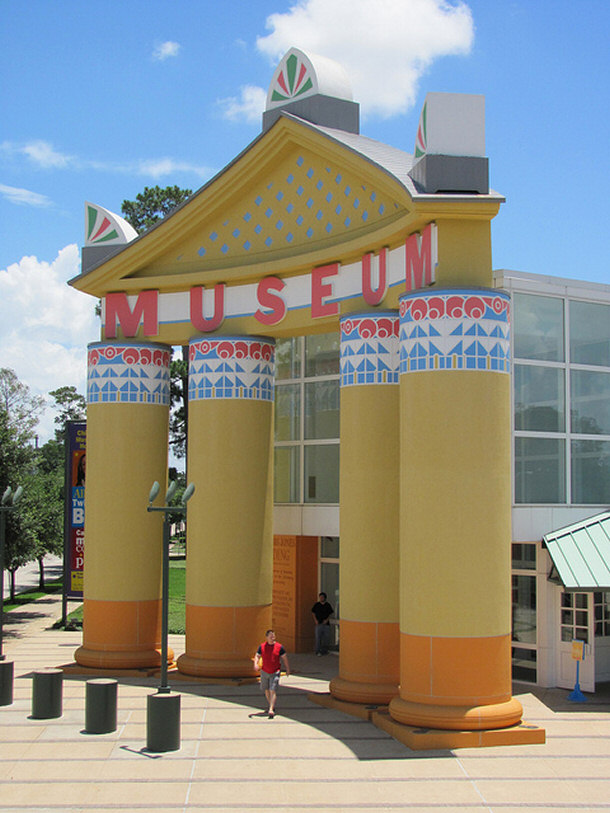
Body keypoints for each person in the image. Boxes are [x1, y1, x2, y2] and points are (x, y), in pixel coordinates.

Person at [253, 629, 290, 718]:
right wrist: (255, 664)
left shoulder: (279, 647)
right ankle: (271, 705)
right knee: (266, 689)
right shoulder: (262, 647)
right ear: (266, 637)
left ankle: (271, 709)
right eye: (270, 636)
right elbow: (257, 655)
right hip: (264, 671)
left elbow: (284, 658)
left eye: (273, 636)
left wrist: (288, 669)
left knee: (272, 690)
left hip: (275, 671)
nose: (272, 637)